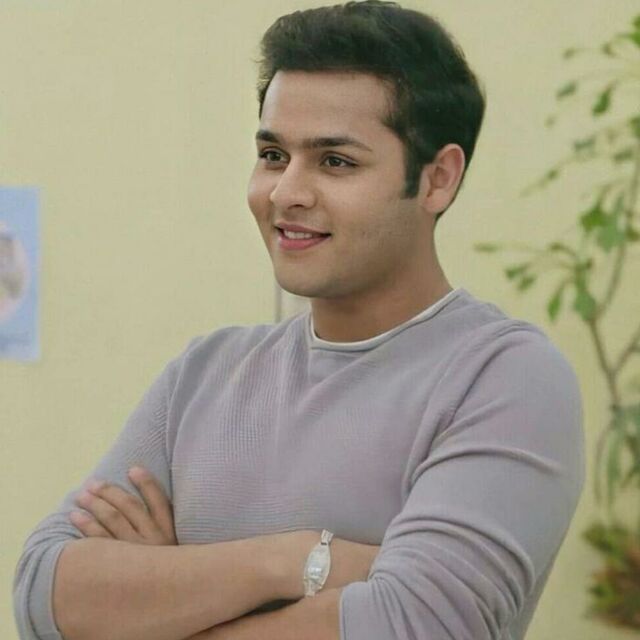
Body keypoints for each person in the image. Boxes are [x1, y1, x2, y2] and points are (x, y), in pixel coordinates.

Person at [13, 1, 585, 639]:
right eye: (272, 154)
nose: (287, 192)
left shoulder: (502, 377)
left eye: (335, 161)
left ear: (437, 179)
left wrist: (164, 597)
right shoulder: (203, 375)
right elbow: (42, 595)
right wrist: (304, 561)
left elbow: (418, 625)